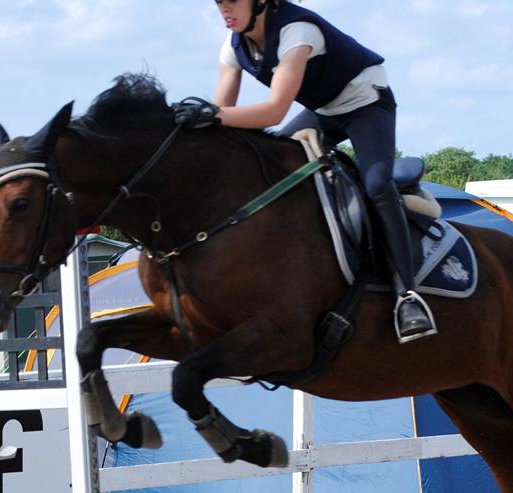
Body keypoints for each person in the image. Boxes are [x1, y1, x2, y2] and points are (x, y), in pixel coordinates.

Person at [173, 0, 437, 343]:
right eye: (219, 2)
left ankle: (407, 297)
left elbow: (273, 112)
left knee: (375, 184)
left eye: (232, 1)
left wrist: (212, 116)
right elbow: (222, 113)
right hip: (324, 110)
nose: (224, 8)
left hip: (367, 104)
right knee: (267, 168)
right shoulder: (233, 47)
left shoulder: (299, 32)